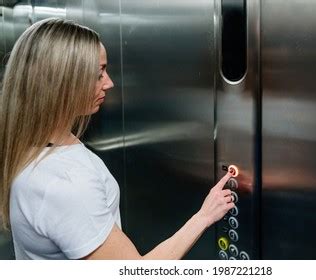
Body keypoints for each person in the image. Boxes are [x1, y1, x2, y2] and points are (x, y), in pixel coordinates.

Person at [0, 18, 235, 260]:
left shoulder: (34, 143)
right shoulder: (65, 185)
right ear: (61, 80)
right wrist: (204, 216)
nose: (109, 83)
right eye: (98, 73)